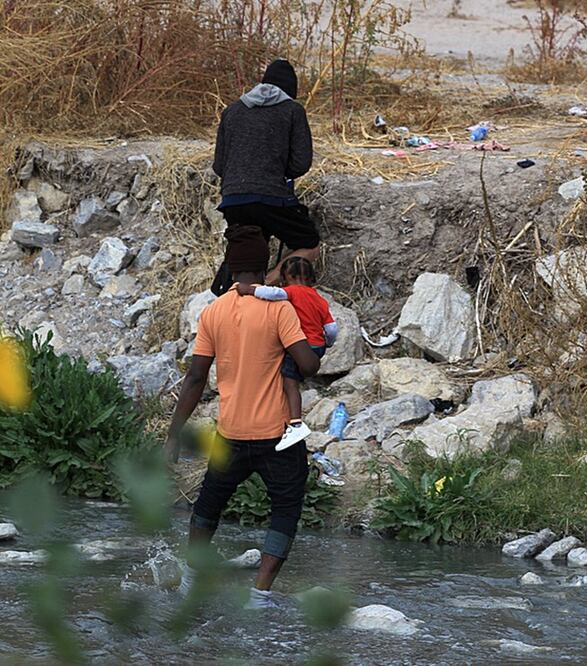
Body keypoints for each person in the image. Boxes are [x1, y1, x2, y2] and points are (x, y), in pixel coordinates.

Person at [164, 225, 321, 609]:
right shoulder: (278, 308)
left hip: (231, 433)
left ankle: (189, 583)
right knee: (285, 508)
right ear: (265, 265)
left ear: (231, 267)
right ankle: (259, 594)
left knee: (207, 508)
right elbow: (308, 364)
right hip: (277, 435)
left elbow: (196, 377)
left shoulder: (213, 312)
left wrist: (173, 435)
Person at [211, 58, 318, 294]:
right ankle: (270, 282)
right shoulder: (293, 110)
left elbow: (219, 166)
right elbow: (301, 162)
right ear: (291, 90)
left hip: (233, 199)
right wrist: (277, 174)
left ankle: (232, 296)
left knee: (249, 248)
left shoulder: (232, 111)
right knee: (308, 243)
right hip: (272, 198)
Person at [238, 256, 338, 450]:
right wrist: (328, 344)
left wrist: (249, 289)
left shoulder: (291, 292)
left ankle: (295, 423)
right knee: (295, 377)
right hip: (318, 347)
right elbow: (332, 328)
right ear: (311, 279)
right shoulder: (319, 299)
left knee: (289, 383)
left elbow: (272, 293)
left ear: (286, 278)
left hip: (301, 345)